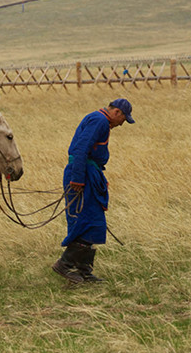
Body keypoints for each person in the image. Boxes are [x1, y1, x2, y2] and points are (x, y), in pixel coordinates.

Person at [52, 98, 134, 284]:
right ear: (117, 113)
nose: (122, 124)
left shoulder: (100, 120)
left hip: (88, 174)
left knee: (93, 221)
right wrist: (78, 178)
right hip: (82, 175)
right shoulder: (99, 121)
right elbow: (81, 149)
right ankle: (65, 265)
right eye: (123, 119)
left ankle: (83, 271)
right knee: (86, 220)